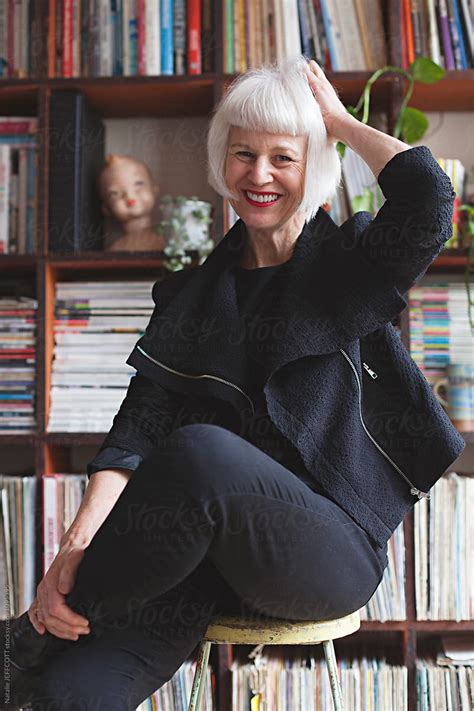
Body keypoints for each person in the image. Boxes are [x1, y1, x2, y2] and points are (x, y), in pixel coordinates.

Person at [1, 56, 465, 710]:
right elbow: (134, 432)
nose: (260, 174)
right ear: (224, 163)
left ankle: (26, 635)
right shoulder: (192, 298)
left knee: (198, 451)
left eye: (284, 156)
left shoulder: (347, 270)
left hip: (327, 552)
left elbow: (429, 199)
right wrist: (70, 552)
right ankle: (39, 644)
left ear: (314, 166)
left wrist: (336, 122)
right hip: (202, 562)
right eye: (244, 153)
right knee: (68, 690)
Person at [98, 154, 166, 252]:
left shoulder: (168, 237)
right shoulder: (117, 248)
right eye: (115, 193)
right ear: (106, 208)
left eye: (139, 184)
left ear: (154, 189)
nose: (130, 197)